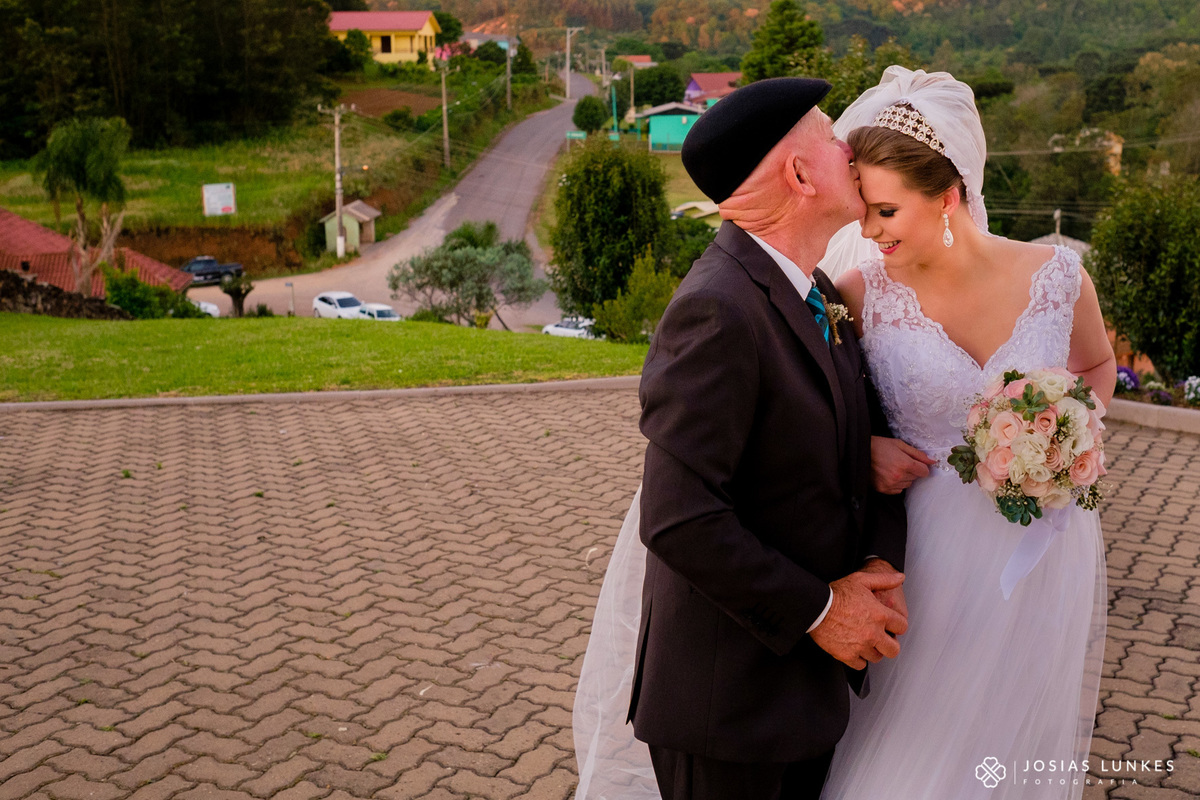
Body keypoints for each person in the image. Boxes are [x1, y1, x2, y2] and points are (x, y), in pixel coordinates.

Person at [573, 77, 910, 800]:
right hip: (730, 709)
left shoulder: (809, 287)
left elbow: (855, 440)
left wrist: (880, 567)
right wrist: (825, 610)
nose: (848, 146)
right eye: (829, 134)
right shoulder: (716, 311)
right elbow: (680, 519)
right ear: (797, 174)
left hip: (799, 694)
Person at [812, 67, 1113, 799]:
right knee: (911, 744)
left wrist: (1071, 434)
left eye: (885, 212)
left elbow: (1098, 365)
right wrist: (863, 449)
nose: (867, 232)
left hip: (1040, 546)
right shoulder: (855, 291)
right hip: (922, 544)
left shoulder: (1058, 276)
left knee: (1005, 737)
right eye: (863, 211)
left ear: (948, 197)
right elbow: (819, 404)